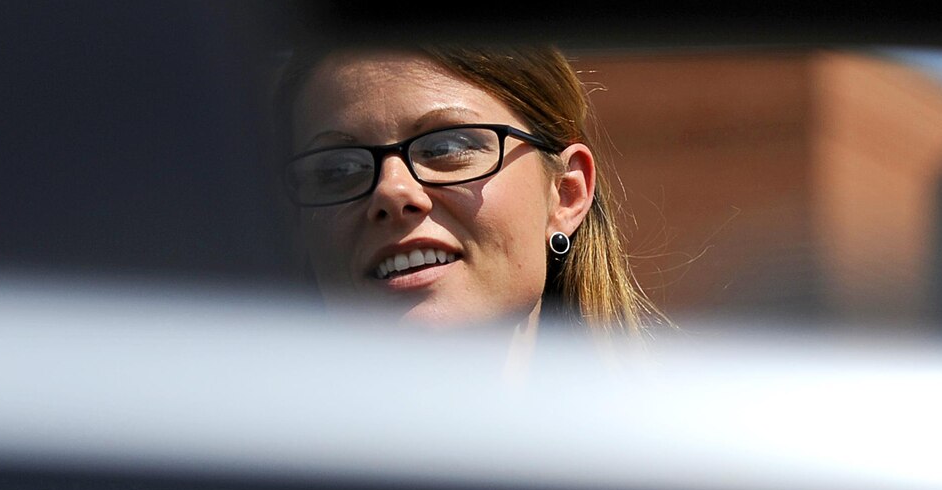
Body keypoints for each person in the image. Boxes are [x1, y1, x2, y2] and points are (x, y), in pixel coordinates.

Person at [278, 46, 661, 355]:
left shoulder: (687, 441)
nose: (392, 190)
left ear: (565, 195)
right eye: (338, 170)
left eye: (447, 146)